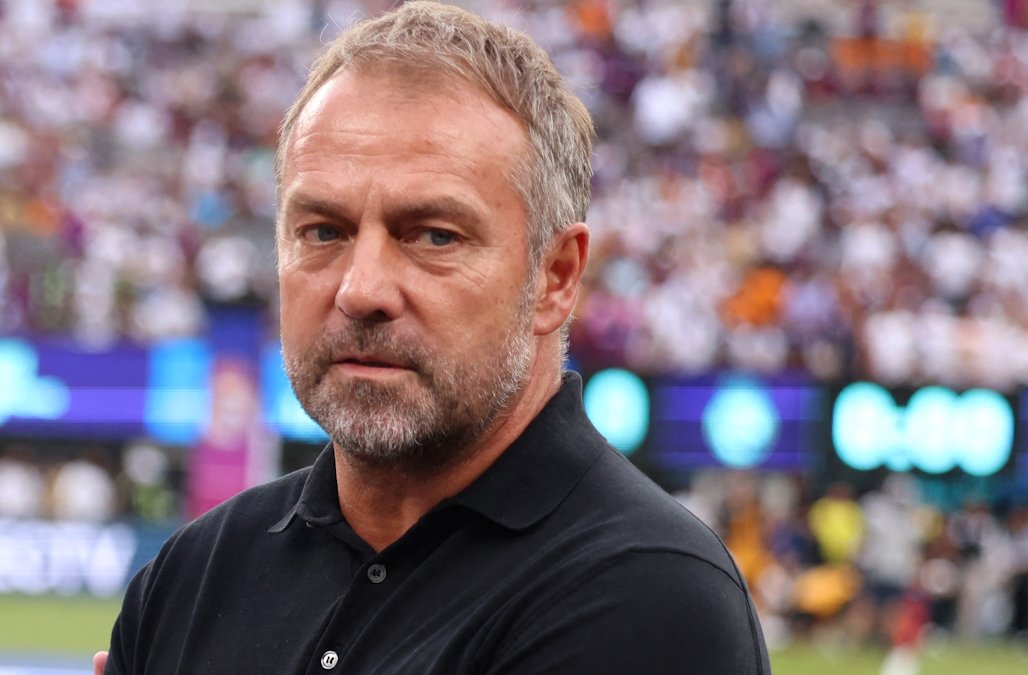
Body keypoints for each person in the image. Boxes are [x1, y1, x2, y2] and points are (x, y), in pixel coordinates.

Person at [94, 2, 770, 674]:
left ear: (556, 277)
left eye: (434, 236)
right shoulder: (191, 578)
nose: (361, 289)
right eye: (323, 231)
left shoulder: (647, 592)